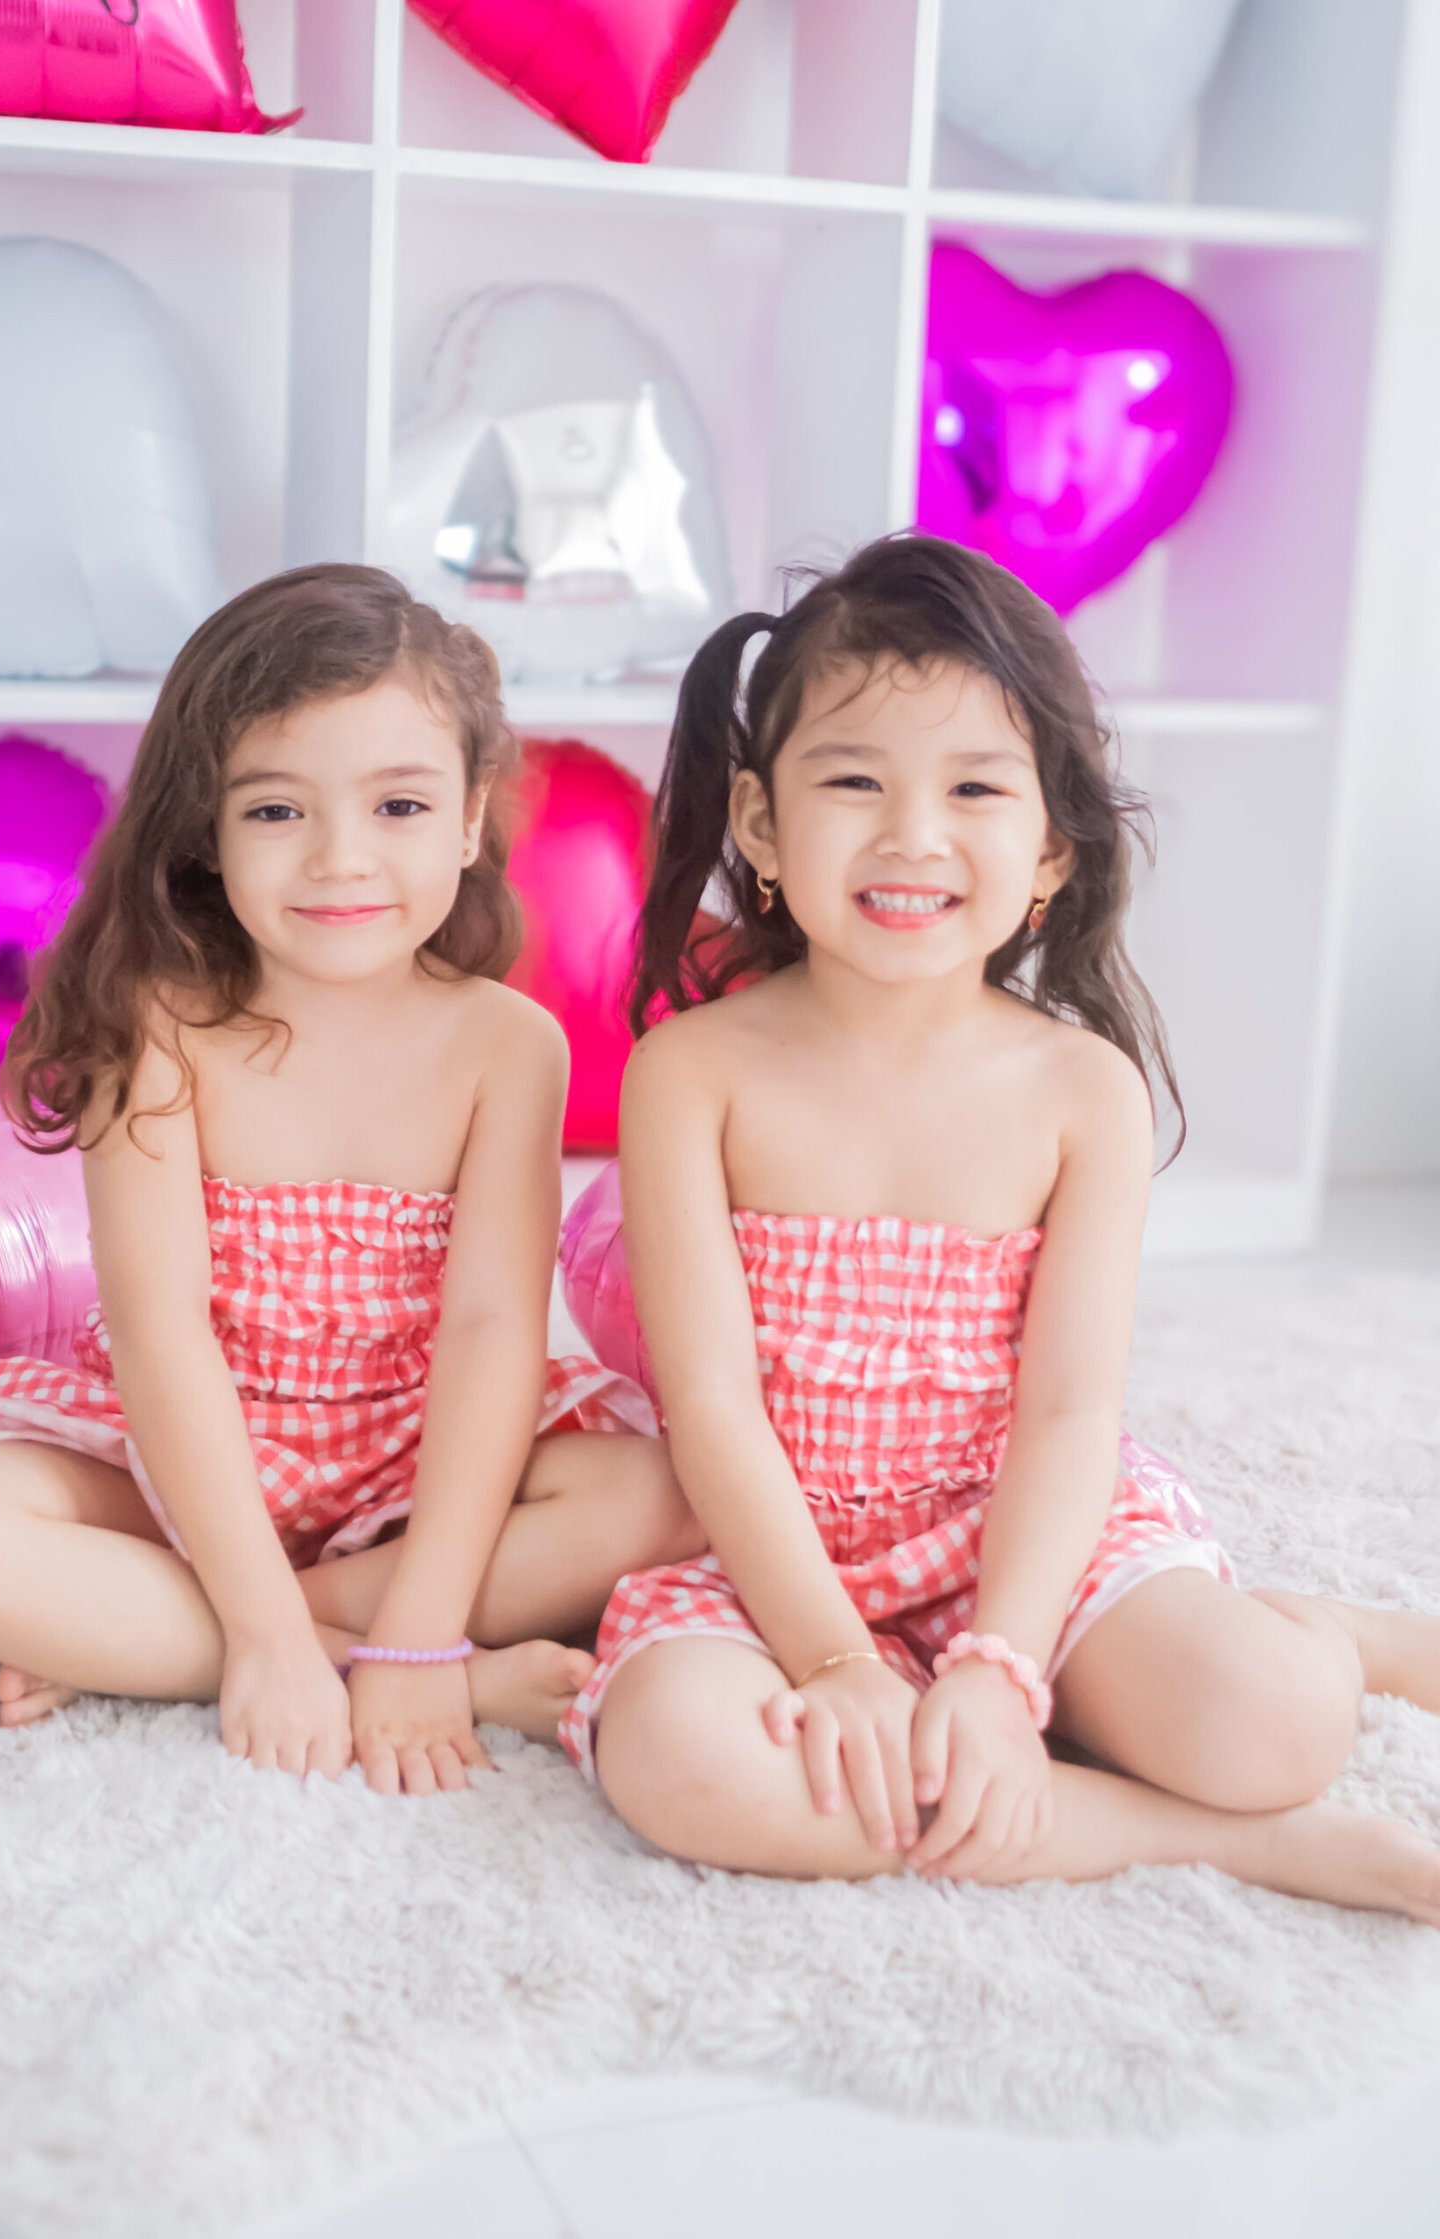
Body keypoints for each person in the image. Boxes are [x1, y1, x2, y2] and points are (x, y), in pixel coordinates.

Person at [561, 532, 1440, 1923]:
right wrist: (836, 1660)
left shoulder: (1080, 1090)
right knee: (684, 1768)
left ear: (1049, 850)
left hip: (1018, 1530)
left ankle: (1328, 1634)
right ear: (762, 824)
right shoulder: (692, 1073)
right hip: (763, 1543)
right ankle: (1222, 1841)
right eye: (855, 780)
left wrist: (1000, 1665)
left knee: (1274, 1723)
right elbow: (712, 1406)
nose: (913, 834)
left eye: (974, 786)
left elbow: (1069, 1413)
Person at [0, 565, 697, 1790]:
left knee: (661, 1495)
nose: (340, 860)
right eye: (276, 811)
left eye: (398, 806)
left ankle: (157, 1634)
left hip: (411, 1450)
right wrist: (260, 1633)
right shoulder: (158, 1026)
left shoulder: (509, 1047)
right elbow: (162, 1334)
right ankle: (309, 1647)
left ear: (469, 818)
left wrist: (422, 1624)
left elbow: (491, 1329)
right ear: (205, 829)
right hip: (180, 1451)